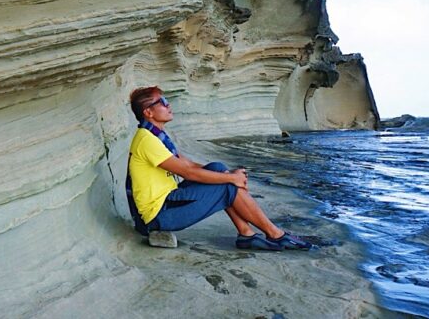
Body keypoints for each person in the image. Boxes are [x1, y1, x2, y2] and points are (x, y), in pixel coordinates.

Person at [126, 86, 312, 250]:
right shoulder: (146, 140)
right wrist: (232, 179)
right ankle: (275, 234)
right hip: (158, 215)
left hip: (169, 200)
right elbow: (188, 173)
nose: (168, 105)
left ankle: (246, 234)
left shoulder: (156, 136)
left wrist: (226, 174)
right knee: (227, 186)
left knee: (218, 168)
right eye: (163, 102)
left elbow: (189, 164)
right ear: (148, 113)